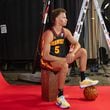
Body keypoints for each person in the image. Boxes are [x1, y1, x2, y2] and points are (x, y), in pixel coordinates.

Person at [40, 8, 99, 109]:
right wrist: (63, 60)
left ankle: (83, 78)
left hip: (62, 59)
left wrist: (72, 53)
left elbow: (77, 44)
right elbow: (45, 56)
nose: (66, 19)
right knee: (64, 64)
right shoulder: (49, 34)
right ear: (57, 20)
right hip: (49, 61)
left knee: (83, 51)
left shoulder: (65, 31)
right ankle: (60, 96)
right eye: (64, 17)